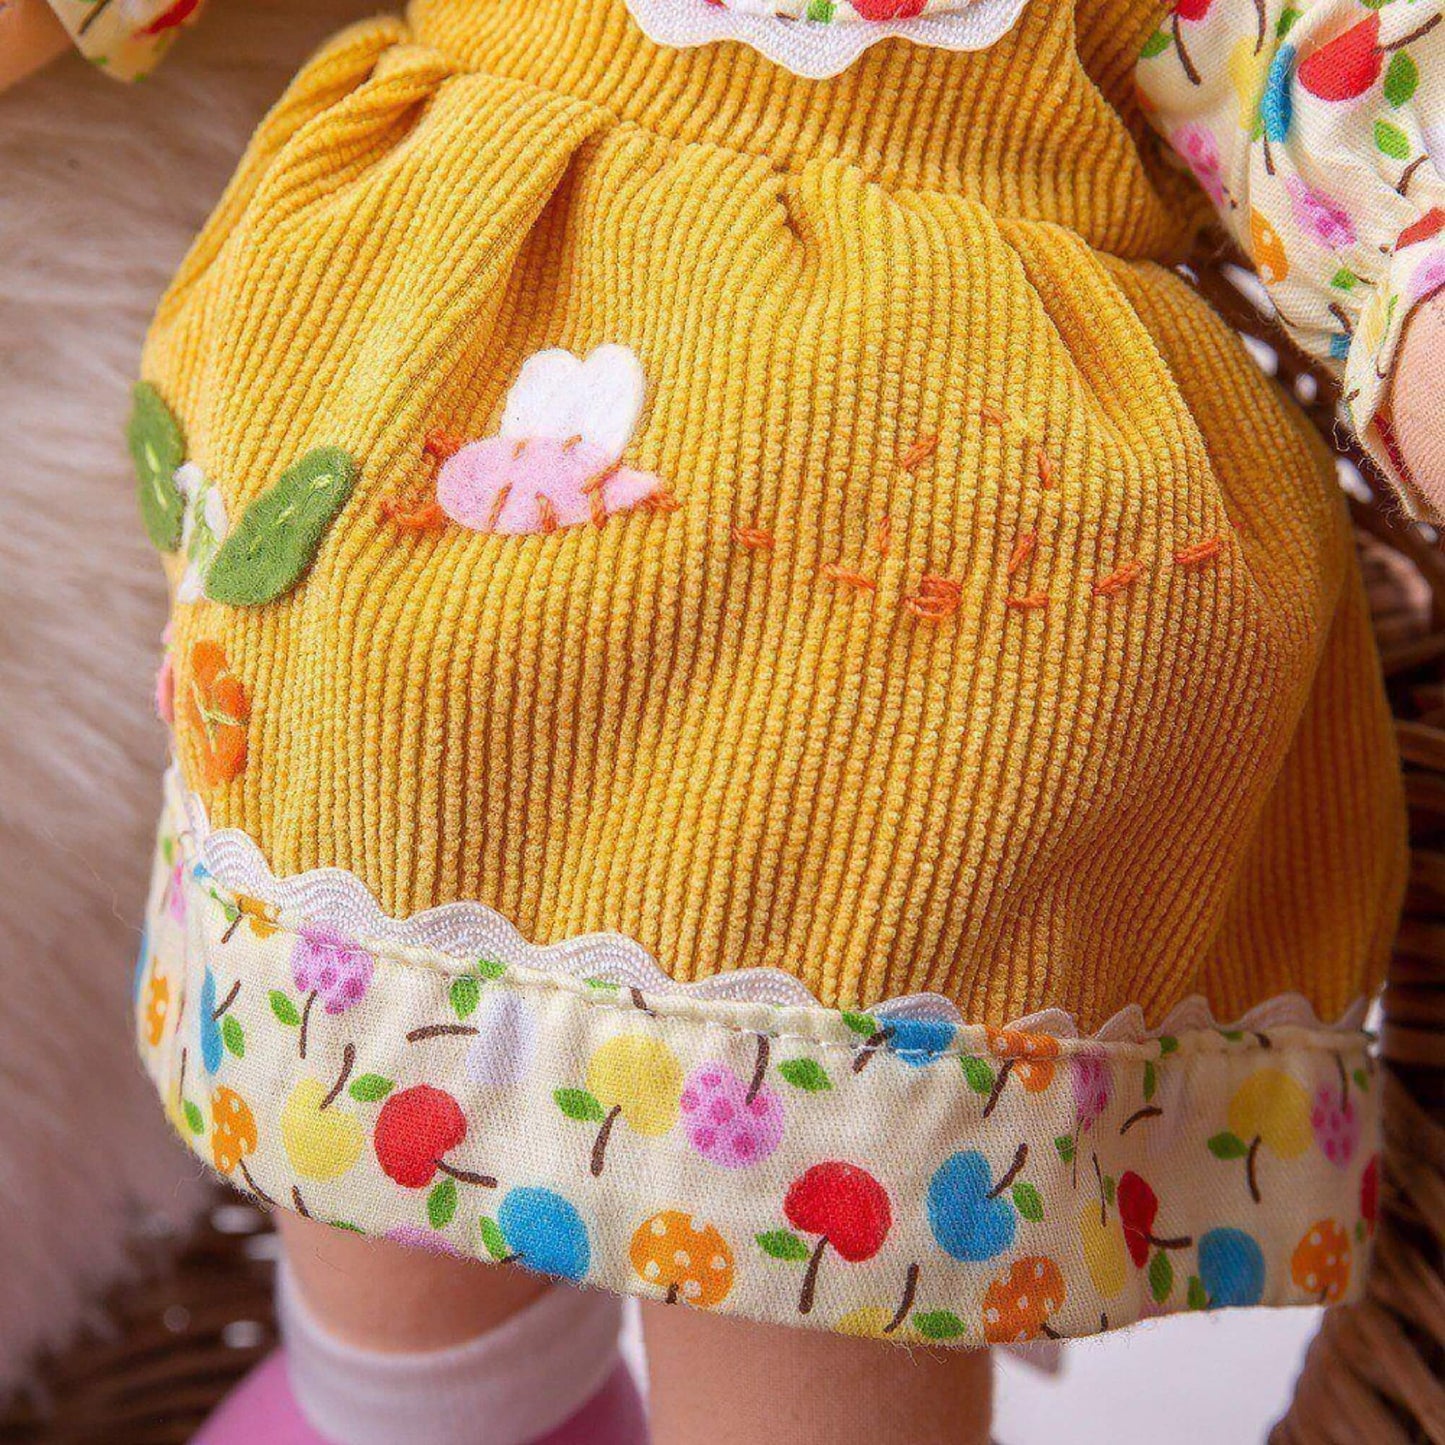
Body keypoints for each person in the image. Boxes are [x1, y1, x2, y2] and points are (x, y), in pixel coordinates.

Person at [8, 0, 1443, 1439]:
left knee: (817, 1248)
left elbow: (1337, 75)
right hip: (410, 621)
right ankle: (399, 1407)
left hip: (904, 724)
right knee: (381, 1264)